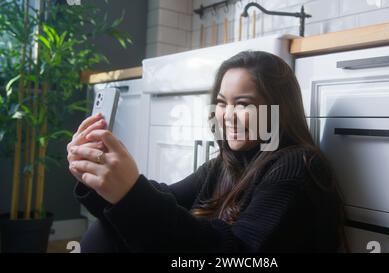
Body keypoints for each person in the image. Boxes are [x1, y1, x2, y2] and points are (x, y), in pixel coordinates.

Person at [66, 51, 345, 253]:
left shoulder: (296, 165)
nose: (227, 116)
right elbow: (167, 199)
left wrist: (130, 192)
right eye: (222, 103)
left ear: (279, 111)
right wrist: (99, 178)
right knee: (112, 228)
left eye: (244, 104)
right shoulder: (225, 165)